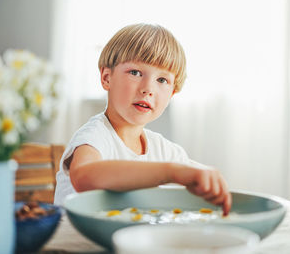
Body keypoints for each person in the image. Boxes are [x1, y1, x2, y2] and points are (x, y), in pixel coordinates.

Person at [54, 23, 232, 215]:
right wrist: (171, 173)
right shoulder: (95, 136)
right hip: (74, 242)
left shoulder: (164, 150)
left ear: (172, 93)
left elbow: (196, 176)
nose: (148, 88)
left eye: (162, 80)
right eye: (135, 73)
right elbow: (84, 177)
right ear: (107, 78)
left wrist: (209, 182)